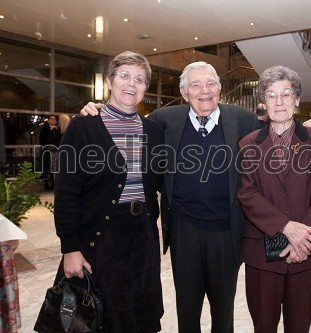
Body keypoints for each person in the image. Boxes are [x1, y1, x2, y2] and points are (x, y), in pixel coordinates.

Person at [81, 61, 260, 332]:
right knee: (186, 307)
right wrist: (94, 110)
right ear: (184, 92)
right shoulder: (164, 121)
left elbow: (269, 142)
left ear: (220, 89)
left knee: (224, 311)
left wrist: (306, 127)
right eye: (196, 85)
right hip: (182, 229)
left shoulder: (243, 119)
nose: (204, 90)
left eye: (211, 83)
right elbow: (127, 129)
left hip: (226, 230)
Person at [53, 51, 165, 333]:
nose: (132, 83)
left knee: (140, 315)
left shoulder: (154, 130)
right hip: (101, 241)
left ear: (145, 88)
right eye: (125, 75)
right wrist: (70, 248)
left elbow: (160, 181)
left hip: (143, 238)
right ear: (110, 81)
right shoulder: (84, 126)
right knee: (101, 318)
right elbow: (66, 193)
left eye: (140, 79)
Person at [237, 65, 311, 332]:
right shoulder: (247, 144)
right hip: (262, 256)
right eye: (271, 95)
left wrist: (302, 238)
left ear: (297, 99)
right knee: (263, 326)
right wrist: (286, 227)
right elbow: (247, 193)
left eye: (286, 94)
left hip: (306, 253)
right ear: (263, 101)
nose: (279, 102)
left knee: (299, 326)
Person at [38, 115, 58, 180]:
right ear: (48, 120)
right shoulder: (45, 128)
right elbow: (42, 139)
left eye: (54, 119)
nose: (53, 120)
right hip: (46, 150)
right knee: (46, 165)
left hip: (55, 151)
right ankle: (47, 178)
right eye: (51, 119)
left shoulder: (58, 128)